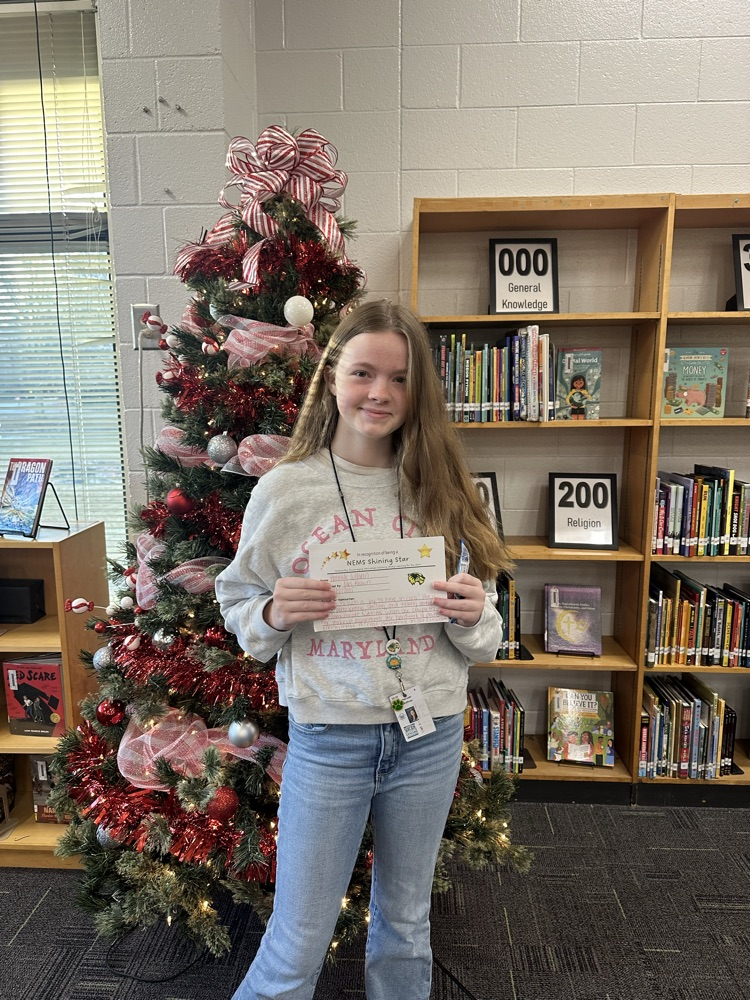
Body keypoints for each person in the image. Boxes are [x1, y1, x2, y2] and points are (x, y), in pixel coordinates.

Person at [215, 299, 510, 1000]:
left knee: (406, 925)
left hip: (428, 733)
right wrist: (273, 610)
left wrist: (473, 616)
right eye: (363, 372)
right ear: (332, 377)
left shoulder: (442, 489)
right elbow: (238, 604)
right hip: (331, 736)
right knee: (298, 941)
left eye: (400, 379)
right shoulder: (287, 490)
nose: (380, 393)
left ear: (420, 392)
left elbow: (486, 632)